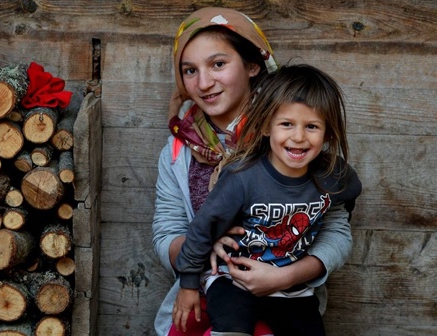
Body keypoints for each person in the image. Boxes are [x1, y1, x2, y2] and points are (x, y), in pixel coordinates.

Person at [152, 7, 355, 336]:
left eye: (218, 64)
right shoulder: (177, 152)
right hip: (205, 295)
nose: (204, 83)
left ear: (252, 65)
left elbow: (336, 231)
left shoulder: (291, 139)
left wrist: (285, 276)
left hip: (284, 298)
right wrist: (201, 246)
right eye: (189, 70)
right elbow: (165, 233)